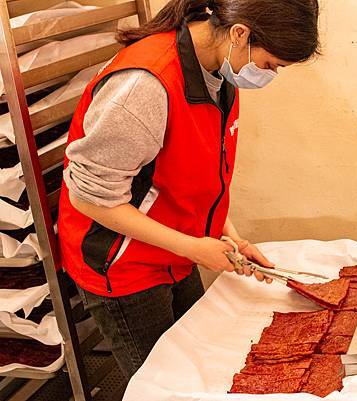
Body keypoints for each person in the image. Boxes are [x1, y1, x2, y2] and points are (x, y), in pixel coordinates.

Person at [57, 0, 320, 380]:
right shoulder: (145, 85)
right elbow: (89, 197)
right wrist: (194, 247)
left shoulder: (217, 72)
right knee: (166, 383)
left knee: (199, 371)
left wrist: (230, 237)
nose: (268, 76)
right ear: (239, 33)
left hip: (173, 249)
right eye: (269, 65)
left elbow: (190, 173)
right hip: (123, 264)